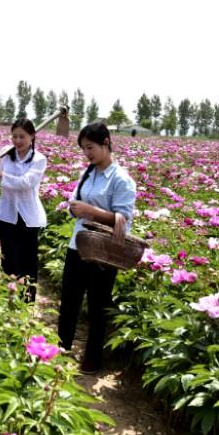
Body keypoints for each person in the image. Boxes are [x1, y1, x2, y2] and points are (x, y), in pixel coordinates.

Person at [58, 121, 137, 373]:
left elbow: (123, 220)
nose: (87, 153)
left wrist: (91, 212)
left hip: (104, 252)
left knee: (97, 306)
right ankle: (61, 350)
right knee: (69, 301)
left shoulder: (121, 180)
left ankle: (92, 360)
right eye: (83, 149)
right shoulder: (87, 173)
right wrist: (74, 208)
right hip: (78, 244)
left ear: (106, 143)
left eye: (90, 147)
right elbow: (75, 201)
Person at [0, 118, 47, 301]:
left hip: (28, 217)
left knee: (28, 262)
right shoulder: (6, 152)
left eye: (22, 137)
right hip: (6, 215)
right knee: (9, 260)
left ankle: (26, 302)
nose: (17, 141)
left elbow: (26, 183)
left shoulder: (39, 159)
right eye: (15, 136)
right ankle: (8, 300)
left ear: (32, 136)